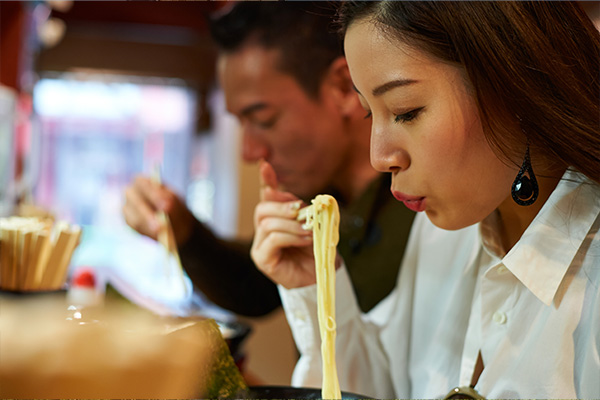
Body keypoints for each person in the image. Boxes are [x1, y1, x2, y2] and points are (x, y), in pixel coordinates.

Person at [251, 1, 600, 398]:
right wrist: (317, 283)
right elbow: (388, 386)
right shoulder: (440, 234)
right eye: (370, 114)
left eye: (406, 111)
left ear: (513, 84)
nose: (379, 157)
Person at [122, 2, 415, 317]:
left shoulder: (426, 203)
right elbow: (258, 286)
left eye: (263, 120)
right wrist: (184, 231)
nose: (249, 152)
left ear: (343, 87)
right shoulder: (318, 199)